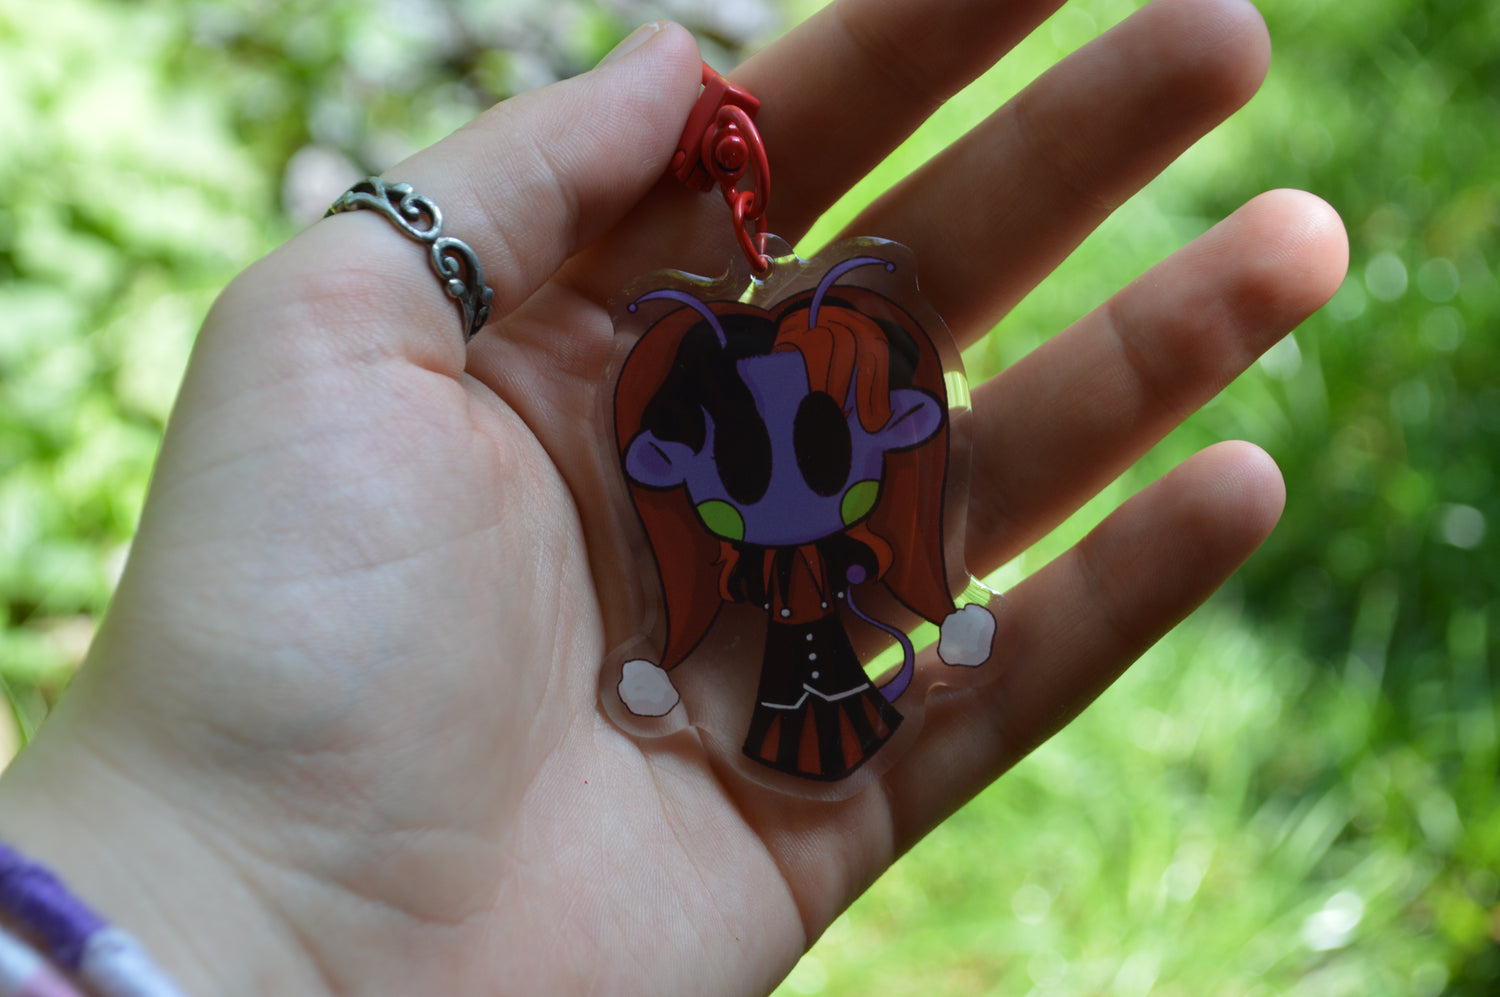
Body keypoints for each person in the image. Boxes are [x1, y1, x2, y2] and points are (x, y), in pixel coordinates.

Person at [0, 0, 1347, 993]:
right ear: (673, 471)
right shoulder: (701, 548)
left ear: (887, 434)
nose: (792, 490)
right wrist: (214, 842)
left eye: (825, 450)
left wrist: (195, 868)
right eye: (742, 468)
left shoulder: (848, 528)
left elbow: (877, 561)